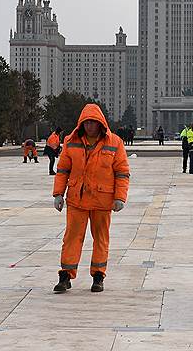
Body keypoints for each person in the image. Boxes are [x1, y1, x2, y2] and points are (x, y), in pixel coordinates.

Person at [52, 104, 130, 294]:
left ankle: (98, 276)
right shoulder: (71, 141)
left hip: (102, 201)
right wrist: (58, 194)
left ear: (100, 123)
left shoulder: (115, 142)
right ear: (81, 123)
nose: (89, 126)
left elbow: (122, 172)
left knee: (101, 239)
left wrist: (120, 197)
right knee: (71, 237)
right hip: (77, 200)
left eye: (93, 123)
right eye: (86, 123)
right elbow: (62, 170)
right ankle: (65, 276)